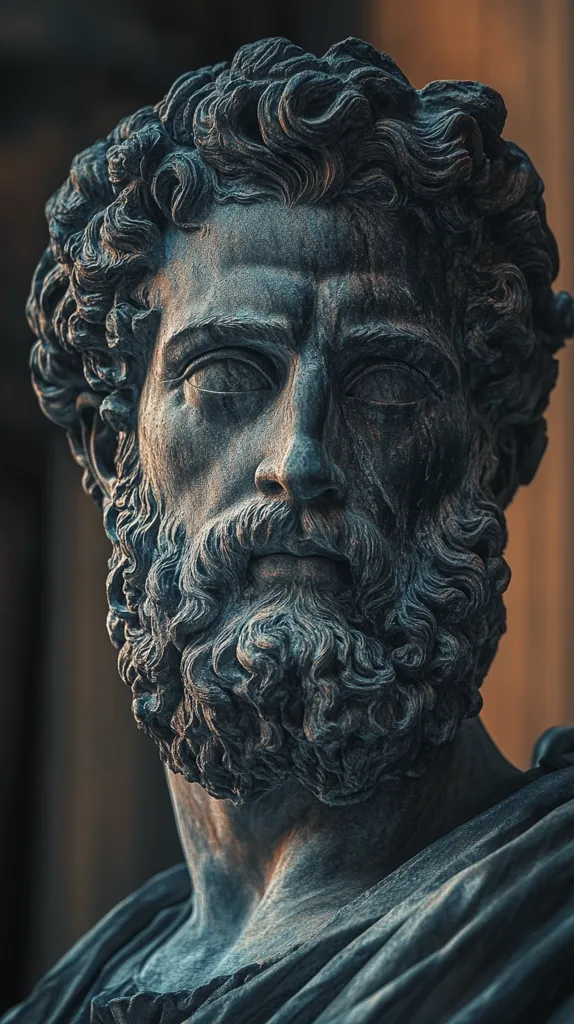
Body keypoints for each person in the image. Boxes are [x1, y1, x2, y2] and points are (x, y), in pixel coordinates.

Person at [4, 35, 574, 1024]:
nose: (299, 456)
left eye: (386, 386)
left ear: (490, 456)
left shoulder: (543, 919)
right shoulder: (76, 997)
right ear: (108, 443)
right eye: (226, 377)